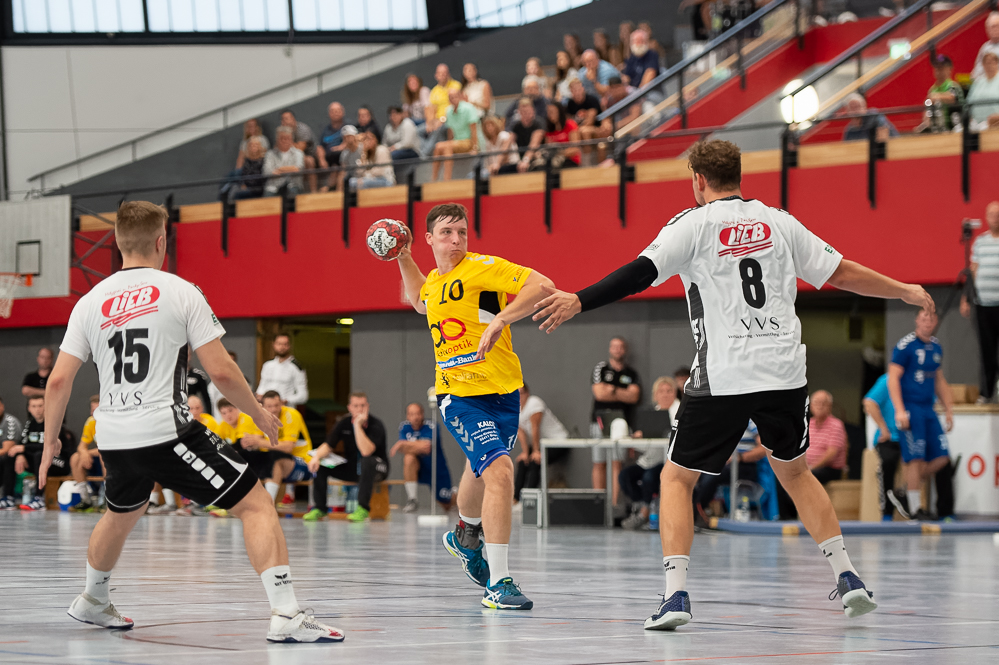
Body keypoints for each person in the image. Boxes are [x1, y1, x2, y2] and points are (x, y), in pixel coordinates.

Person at [533, 138, 936, 630]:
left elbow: (639, 274)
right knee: (796, 473)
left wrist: (578, 299)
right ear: (739, 176)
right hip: (784, 373)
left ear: (698, 180)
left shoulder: (692, 224)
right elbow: (842, 272)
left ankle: (676, 596)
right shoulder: (780, 222)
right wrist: (904, 289)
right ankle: (848, 576)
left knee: (676, 478)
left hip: (724, 373)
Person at [39, 201, 341, 642]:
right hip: (166, 431)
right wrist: (257, 411)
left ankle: (92, 598)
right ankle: (287, 614)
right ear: (162, 241)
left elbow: (57, 380)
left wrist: (50, 441)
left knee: (121, 512)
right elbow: (221, 371)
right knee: (256, 504)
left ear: (117, 243)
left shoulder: (89, 302)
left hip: (113, 435)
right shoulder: (181, 291)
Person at [396, 202, 556, 610]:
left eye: (462, 232)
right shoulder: (434, 282)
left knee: (479, 469)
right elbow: (419, 300)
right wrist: (403, 256)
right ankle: (499, 583)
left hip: (504, 392)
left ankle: (465, 535)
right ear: (430, 238)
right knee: (500, 472)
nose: (456, 240)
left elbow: (542, 285)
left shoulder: (483, 267)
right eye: (447, 233)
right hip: (458, 394)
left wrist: (502, 319)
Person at [887, 309, 954, 521]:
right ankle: (915, 509)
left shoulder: (936, 346)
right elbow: (892, 378)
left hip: (928, 408)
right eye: (924, 317)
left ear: (936, 322)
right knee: (915, 458)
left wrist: (949, 409)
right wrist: (899, 410)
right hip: (911, 407)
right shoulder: (905, 345)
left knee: (942, 457)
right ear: (917, 320)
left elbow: (939, 380)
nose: (928, 322)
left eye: (931, 318)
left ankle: (904, 490)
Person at [865, 372, 955, 521]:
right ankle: (887, 512)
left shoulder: (924, 379)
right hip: (892, 436)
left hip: (916, 433)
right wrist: (883, 428)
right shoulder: (888, 380)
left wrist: (948, 410)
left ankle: (944, 511)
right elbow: (869, 402)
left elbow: (937, 393)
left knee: (943, 459)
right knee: (888, 462)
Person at [304, 391, 388, 523]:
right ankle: (320, 508)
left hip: (377, 468)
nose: (360, 409)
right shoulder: (344, 423)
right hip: (353, 468)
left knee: (367, 461)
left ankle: (362, 508)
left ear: (368, 406)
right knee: (320, 464)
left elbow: (366, 451)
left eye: (363, 405)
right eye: (356, 406)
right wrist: (316, 457)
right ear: (349, 408)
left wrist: (357, 426)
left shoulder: (376, 425)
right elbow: (328, 445)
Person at [620, 376, 680, 530]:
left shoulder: (681, 412)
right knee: (625, 476)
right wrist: (638, 438)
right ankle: (643, 506)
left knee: (649, 477)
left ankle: (644, 513)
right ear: (655, 395)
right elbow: (645, 447)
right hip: (649, 460)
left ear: (675, 393)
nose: (665, 395)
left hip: (669, 462)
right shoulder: (651, 415)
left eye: (669, 391)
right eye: (661, 391)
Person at [590, 337, 641, 508]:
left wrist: (612, 389)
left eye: (620, 347)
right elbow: (599, 394)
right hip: (600, 421)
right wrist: (622, 392)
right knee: (599, 462)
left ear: (624, 350)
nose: (617, 350)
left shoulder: (631, 373)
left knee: (617, 463)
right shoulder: (601, 368)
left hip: (621, 423)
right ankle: (598, 505)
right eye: (614, 347)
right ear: (610, 349)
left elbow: (634, 396)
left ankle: (614, 506)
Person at [691, 420, 766, 526]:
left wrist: (739, 457)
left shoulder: (751, 422)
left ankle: (696, 513)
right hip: (724, 462)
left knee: (712, 475)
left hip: (745, 464)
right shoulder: (724, 420)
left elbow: (763, 449)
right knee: (692, 474)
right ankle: (691, 510)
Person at [6, 395, 73, 510]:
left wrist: (24, 449)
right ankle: (8, 498)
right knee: (11, 456)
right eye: (34, 406)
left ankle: (39, 498)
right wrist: (21, 455)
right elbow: (21, 445)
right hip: (39, 462)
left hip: (59, 463)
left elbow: (49, 446)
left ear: (46, 407)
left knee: (40, 455)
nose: (37, 409)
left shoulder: (54, 424)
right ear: (29, 408)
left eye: (40, 406)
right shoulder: (30, 424)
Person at [962, 202, 999, 401]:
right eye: (992, 214)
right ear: (986, 217)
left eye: (998, 214)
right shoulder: (980, 242)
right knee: (986, 350)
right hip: (983, 304)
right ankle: (986, 392)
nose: (995, 218)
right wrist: (966, 298)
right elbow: (973, 271)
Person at [390, 401, 453, 513]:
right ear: (407, 416)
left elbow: (426, 447)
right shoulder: (404, 427)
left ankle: (459, 496)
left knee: (446, 502)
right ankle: (412, 499)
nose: (415, 417)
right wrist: (411, 446)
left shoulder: (432, 426)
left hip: (435, 469)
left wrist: (404, 444)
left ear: (422, 414)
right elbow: (402, 449)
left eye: (418, 414)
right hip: (418, 468)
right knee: (409, 457)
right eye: (412, 414)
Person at [514, 384, 568, 503]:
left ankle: (530, 501)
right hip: (540, 444)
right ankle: (516, 499)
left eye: (521, 393)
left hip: (558, 442)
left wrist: (536, 451)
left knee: (535, 462)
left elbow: (535, 428)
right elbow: (521, 433)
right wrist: (525, 453)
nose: (518, 397)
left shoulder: (534, 403)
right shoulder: (513, 409)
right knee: (523, 462)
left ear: (527, 393)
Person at [259, 391, 312, 508]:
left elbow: (288, 447)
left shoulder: (291, 415)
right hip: (274, 462)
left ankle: (268, 505)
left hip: (303, 462)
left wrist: (259, 442)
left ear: (282, 404)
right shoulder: (260, 418)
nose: (273, 409)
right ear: (262, 407)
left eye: (276, 405)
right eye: (269, 406)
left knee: (274, 459)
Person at [216, 398, 271, 482]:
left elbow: (242, 443)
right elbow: (216, 445)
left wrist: (228, 448)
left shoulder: (245, 419)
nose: (228, 415)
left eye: (230, 410)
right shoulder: (222, 426)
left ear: (237, 409)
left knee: (238, 456)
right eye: (224, 413)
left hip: (263, 455)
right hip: (248, 457)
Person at [432, 88, 480, 181]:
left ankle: (447, 179)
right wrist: (450, 142)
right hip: (456, 142)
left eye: (455, 96)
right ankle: (434, 179)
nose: (453, 99)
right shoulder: (448, 111)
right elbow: (450, 131)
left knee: (447, 147)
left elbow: (474, 130)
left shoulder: (469, 108)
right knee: (438, 147)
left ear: (460, 96)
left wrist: (475, 147)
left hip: (468, 141)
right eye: (451, 97)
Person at [68, 395, 103, 513]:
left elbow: (110, 448)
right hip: (97, 459)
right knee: (75, 458)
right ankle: (85, 499)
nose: (94, 413)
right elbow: (81, 446)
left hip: (114, 460)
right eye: (92, 410)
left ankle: (107, 499)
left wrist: (87, 453)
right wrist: (83, 453)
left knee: (104, 456)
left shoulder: (113, 422)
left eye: (97, 410)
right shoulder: (91, 421)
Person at [256, 333, 309, 411]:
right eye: (279, 344)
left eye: (285, 344)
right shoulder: (267, 365)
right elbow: (261, 387)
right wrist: (260, 395)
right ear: (274, 345)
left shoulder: (296, 368)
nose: (282, 347)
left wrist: (286, 400)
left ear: (289, 346)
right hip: (266, 410)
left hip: (285, 410)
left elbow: (303, 396)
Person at [806, 390, 848, 485]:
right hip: (807, 467)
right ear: (811, 405)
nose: (820, 406)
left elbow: (831, 453)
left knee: (807, 476)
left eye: (823, 403)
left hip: (829, 469)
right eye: (816, 403)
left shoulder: (836, 425)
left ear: (830, 406)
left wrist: (810, 467)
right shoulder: (808, 423)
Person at [565, 78, 611, 164]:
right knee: (576, 133)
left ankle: (587, 163)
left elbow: (590, 121)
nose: (577, 92)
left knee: (584, 131)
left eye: (579, 89)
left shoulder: (591, 100)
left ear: (583, 89)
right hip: (579, 130)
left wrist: (577, 127)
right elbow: (569, 121)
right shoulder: (570, 103)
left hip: (597, 128)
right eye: (574, 90)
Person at [500, 98, 546, 174]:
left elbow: (534, 144)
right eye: (523, 112)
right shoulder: (516, 126)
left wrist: (526, 160)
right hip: (520, 159)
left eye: (527, 112)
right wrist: (498, 163)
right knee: (503, 170)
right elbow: (507, 143)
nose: (525, 114)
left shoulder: (538, 123)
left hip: (536, 157)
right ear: (519, 112)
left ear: (533, 111)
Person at [425, 64, 463, 155]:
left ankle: (425, 154)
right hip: (437, 120)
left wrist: (442, 120)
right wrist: (430, 122)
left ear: (448, 74)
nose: (442, 75)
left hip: (451, 118)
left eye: (444, 73)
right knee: (419, 131)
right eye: (440, 73)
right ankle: (431, 152)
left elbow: (455, 106)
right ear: (436, 75)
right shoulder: (434, 90)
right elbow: (431, 108)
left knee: (438, 129)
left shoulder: (456, 86)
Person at [921, 54, 964, 132]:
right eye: (936, 68)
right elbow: (927, 107)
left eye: (941, 68)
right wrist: (926, 122)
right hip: (937, 129)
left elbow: (952, 98)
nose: (938, 71)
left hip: (955, 127)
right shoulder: (932, 89)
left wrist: (936, 96)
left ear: (949, 69)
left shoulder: (953, 85)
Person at [279, 109, 317, 192]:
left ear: (293, 118)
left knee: (309, 161)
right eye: (283, 119)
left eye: (287, 118)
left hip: (306, 154)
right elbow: (278, 148)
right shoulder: (281, 132)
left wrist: (287, 140)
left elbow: (300, 149)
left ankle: (313, 191)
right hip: (288, 156)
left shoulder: (302, 129)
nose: (285, 122)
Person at [263, 127, 305, 197]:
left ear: (291, 140)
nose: (284, 141)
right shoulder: (270, 154)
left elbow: (297, 169)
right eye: (282, 138)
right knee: (268, 196)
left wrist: (279, 169)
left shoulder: (298, 153)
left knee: (292, 194)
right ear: (277, 140)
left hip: (293, 186)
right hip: (273, 187)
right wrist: (289, 169)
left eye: (287, 138)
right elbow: (267, 171)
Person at [317, 102, 346, 191]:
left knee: (338, 166)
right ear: (329, 114)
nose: (335, 113)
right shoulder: (325, 130)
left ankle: (332, 189)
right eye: (333, 111)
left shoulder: (347, 126)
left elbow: (352, 140)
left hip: (343, 157)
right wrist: (322, 159)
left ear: (343, 112)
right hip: (329, 158)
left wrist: (341, 147)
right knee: (334, 166)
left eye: (338, 111)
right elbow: (320, 147)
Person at [0, 395, 23, 509]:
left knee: (7, 458)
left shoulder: (9, 422)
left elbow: (7, 449)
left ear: (2, 406)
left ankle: (8, 497)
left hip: (13, 456)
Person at [967, 52, 999, 131]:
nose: (989, 66)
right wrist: (968, 116)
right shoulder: (979, 82)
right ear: (983, 65)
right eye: (986, 63)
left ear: (997, 63)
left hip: (995, 123)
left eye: (991, 63)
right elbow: (968, 101)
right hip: (976, 122)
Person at [229, 137, 267, 201]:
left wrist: (248, 186)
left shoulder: (263, 160)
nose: (253, 147)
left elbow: (260, 177)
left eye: (255, 145)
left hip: (258, 188)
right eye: (251, 145)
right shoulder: (247, 160)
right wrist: (243, 184)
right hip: (247, 186)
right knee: (232, 188)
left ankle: (232, 207)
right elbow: (244, 174)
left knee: (237, 194)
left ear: (259, 146)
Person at [544, 101, 581, 167]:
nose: (550, 114)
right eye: (548, 112)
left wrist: (559, 152)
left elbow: (575, 149)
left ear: (559, 112)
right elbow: (549, 148)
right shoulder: (548, 130)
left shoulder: (570, 124)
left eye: (552, 112)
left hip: (570, 160)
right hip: (555, 161)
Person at [971, 11, 999, 81]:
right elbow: (977, 70)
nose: (995, 29)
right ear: (987, 29)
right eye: (993, 27)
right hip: (985, 82)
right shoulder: (985, 48)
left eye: (997, 26)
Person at [337, 126, 363, 192]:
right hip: (353, 179)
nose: (347, 139)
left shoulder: (363, 148)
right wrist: (339, 190)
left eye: (349, 136)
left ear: (354, 136)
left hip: (365, 177)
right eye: (344, 137)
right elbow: (343, 172)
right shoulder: (344, 154)